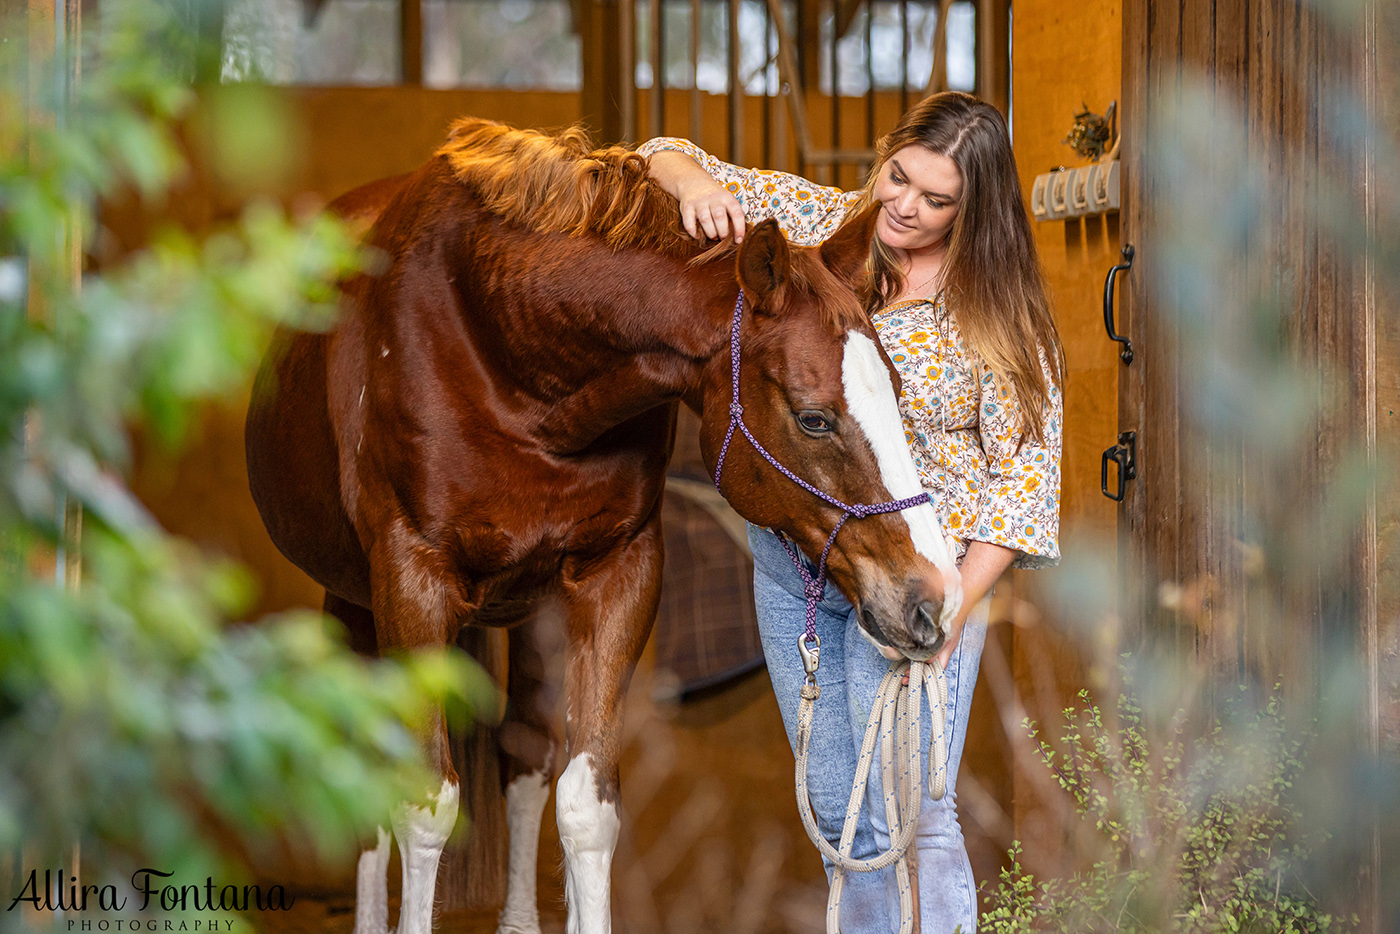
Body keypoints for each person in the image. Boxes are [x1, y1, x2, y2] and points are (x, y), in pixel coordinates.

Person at [638, 90, 1064, 934]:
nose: (904, 206)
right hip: (796, 562)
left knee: (916, 813)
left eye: (937, 199)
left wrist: (950, 609)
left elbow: (1024, 487)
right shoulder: (830, 231)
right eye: (899, 176)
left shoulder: (999, 315)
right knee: (840, 815)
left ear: (973, 211)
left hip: (917, 573)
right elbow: (661, 151)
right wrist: (692, 189)